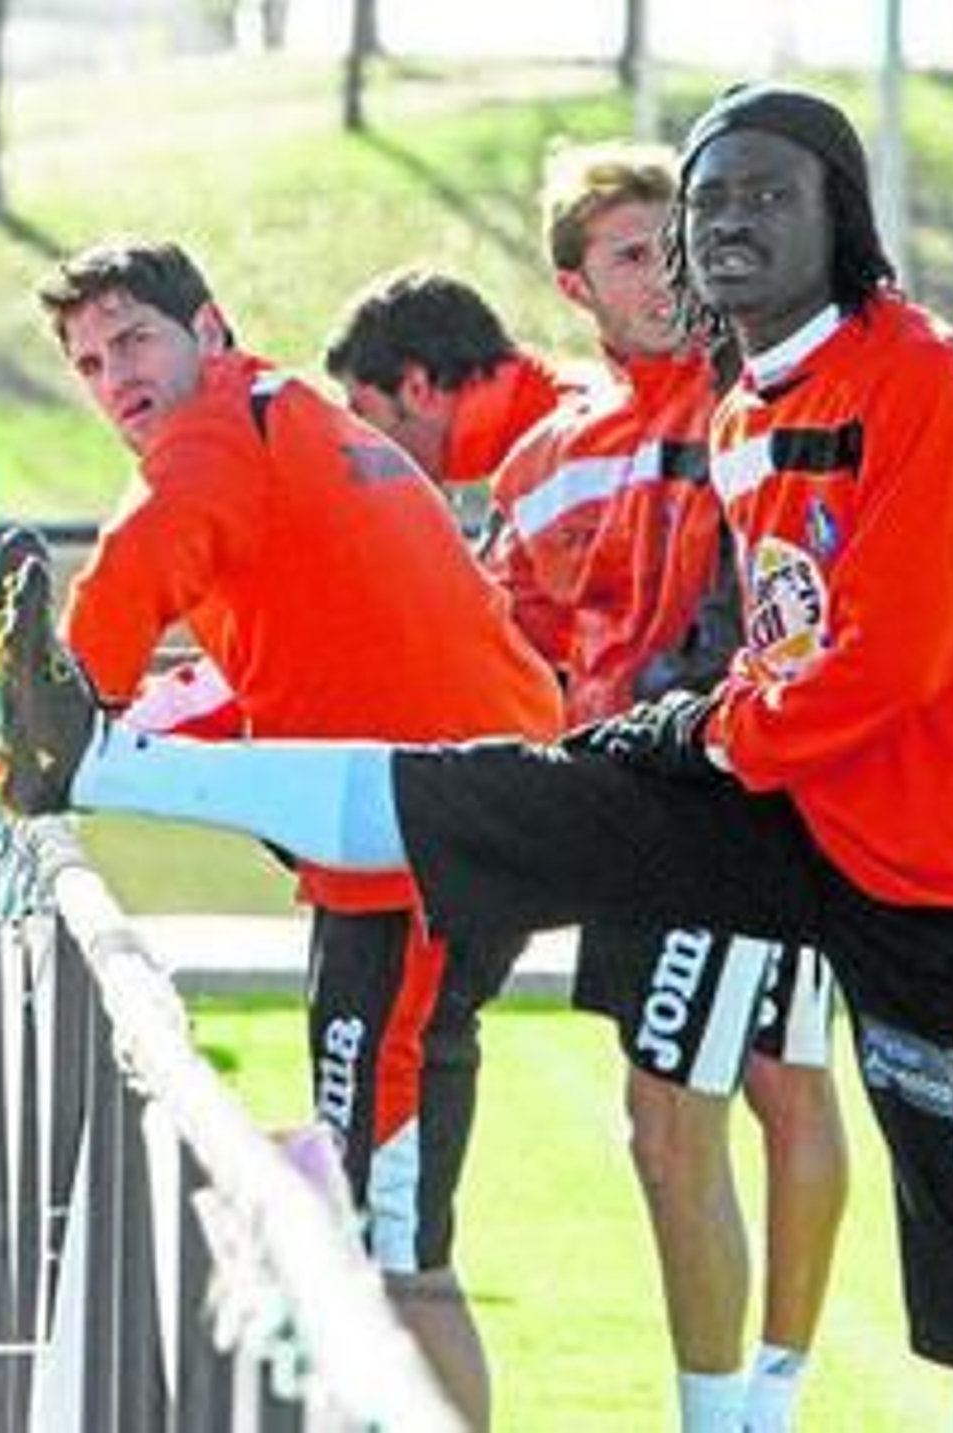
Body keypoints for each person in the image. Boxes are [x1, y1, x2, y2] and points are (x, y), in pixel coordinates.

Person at [0, 84, 953, 1433]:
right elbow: (781, 640)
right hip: (798, 802)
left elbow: (892, 656)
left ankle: (767, 1395)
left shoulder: (916, 373)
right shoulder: (747, 406)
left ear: (841, 215)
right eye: (709, 204)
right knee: (479, 804)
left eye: (770, 192)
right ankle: (97, 763)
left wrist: (709, 726)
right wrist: (688, 729)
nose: (733, 221)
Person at [0, 237, 564, 1430]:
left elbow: (88, 663)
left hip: (417, 854)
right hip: (451, 826)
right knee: (379, 1230)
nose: (116, 378)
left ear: (208, 326)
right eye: (90, 362)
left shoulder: (213, 440)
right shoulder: (279, 413)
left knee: (382, 1247)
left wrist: (23, 711)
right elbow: (234, 674)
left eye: (134, 339)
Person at [339, 142, 848, 1431]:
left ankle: (749, 1400)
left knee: (724, 1101)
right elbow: (506, 637)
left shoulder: (755, 389)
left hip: (741, 797)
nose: (665, 268)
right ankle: (742, 1401)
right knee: (697, 1108)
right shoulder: (547, 458)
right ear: (577, 288)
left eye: (671, 238)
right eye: (630, 252)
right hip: (614, 802)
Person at [323, 266, 571, 531]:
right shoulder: (533, 436)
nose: (356, 442)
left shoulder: (563, 455)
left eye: (360, 414)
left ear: (419, 388)